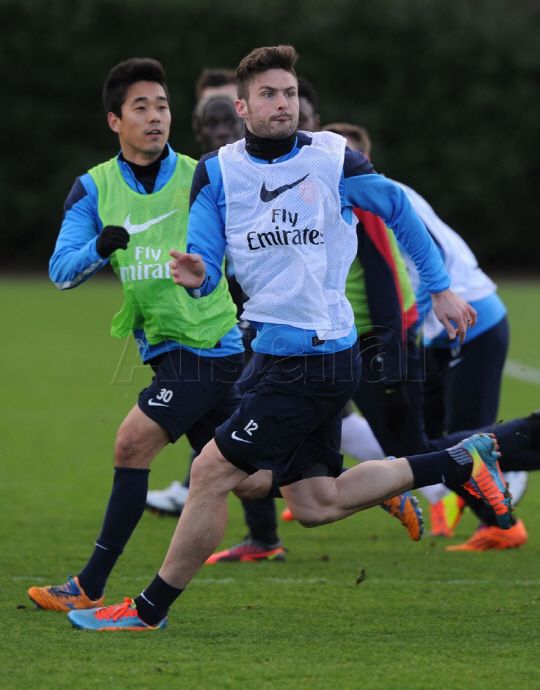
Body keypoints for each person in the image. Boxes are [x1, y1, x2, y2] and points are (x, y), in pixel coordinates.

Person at [62, 45, 515, 632]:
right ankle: (457, 461)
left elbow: (398, 208)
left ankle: (147, 611)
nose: (284, 104)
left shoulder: (333, 157)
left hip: (318, 357)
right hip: (276, 354)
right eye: (269, 94)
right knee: (316, 502)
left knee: (210, 473)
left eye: (291, 93)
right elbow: (205, 258)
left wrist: (441, 287)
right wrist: (199, 276)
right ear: (243, 107)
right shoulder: (218, 171)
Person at [27, 58, 245, 612]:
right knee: (254, 474)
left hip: (209, 344)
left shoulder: (203, 175)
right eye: (141, 107)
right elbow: (61, 272)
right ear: (114, 120)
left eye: (162, 106)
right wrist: (100, 246)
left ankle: (89, 584)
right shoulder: (92, 188)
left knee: (131, 443)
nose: (155, 117)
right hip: (166, 351)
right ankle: (362, 480)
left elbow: (242, 250)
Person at [322, 121, 530, 550]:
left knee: (462, 440)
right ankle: (487, 511)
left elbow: (429, 256)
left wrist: (412, 318)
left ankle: (507, 499)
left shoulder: (384, 198)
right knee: (427, 443)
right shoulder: (346, 201)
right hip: (435, 333)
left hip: (472, 323)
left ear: (365, 160)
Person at [145, 92, 245, 517]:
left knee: (240, 431)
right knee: (236, 440)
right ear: (199, 129)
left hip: (253, 321)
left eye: (227, 122)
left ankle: (354, 480)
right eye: (212, 123)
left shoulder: (252, 173)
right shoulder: (193, 179)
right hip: (210, 322)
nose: (221, 131)